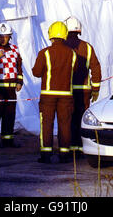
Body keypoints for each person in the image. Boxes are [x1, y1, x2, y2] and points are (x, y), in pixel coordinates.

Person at [32, 21, 77, 163]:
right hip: (66, 95)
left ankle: (46, 154)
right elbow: (74, 71)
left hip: (48, 95)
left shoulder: (44, 53)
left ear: (50, 35)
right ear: (65, 35)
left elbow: (36, 72)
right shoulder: (73, 54)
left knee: (46, 123)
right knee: (65, 124)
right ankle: (64, 154)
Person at [64, 16, 101, 157]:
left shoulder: (63, 47)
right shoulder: (87, 47)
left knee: (67, 119)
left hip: (67, 90)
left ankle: (68, 147)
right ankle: (80, 148)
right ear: (79, 30)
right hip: (84, 91)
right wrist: (96, 88)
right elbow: (96, 67)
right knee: (81, 118)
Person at [0, 22, 23, 148]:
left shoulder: (15, 49)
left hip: (11, 88)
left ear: (10, 36)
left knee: (10, 114)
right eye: (1, 36)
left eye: (6, 36)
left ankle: (8, 140)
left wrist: (19, 81)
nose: (3, 39)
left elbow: (19, 66)